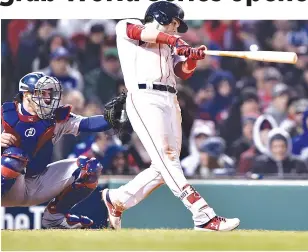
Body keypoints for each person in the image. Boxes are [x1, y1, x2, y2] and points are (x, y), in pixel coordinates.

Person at [100, 1, 240, 232]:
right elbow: (143, 33)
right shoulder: (129, 26)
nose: (176, 29)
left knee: (164, 166)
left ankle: (117, 199)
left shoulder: (168, 43)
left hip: (170, 99)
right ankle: (203, 215)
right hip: (144, 97)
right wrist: (177, 42)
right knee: (168, 160)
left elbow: (181, 72)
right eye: (174, 23)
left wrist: (192, 58)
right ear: (161, 17)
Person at [1, 72, 126, 229]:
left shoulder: (56, 118)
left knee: (89, 168)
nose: (48, 98)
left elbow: (87, 124)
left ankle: (55, 218)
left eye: (49, 93)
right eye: (42, 93)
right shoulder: (4, 114)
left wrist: (117, 116)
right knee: (14, 158)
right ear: (26, 94)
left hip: (37, 183)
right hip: (8, 185)